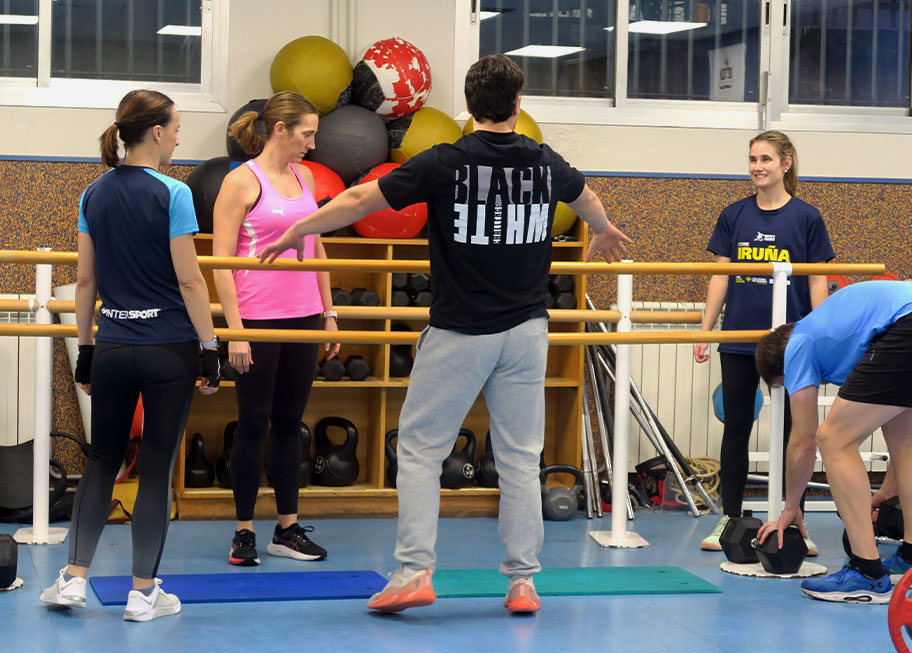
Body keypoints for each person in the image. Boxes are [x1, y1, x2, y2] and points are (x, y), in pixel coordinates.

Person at [258, 54, 631, 614]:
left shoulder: (447, 161)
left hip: (461, 332)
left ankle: (413, 571)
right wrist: (602, 231)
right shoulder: (543, 161)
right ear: (518, 105)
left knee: (418, 450)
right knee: (520, 456)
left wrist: (297, 230)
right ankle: (523, 582)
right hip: (527, 333)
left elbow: (360, 199)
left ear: (468, 106)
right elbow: (586, 198)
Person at [40, 90, 220, 622]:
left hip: (114, 346)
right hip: (169, 349)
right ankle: (144, 593)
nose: (181, 137)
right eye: (178, 127)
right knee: (157, 467)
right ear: (158, 133)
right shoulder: (175, 192)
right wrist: (210, 347)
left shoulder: (93, 192)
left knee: (100, 462)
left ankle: (73, 579)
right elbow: (190, 279)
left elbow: (87, 281)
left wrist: (87, 351)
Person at [754, 280, 912, 603]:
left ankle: (866, 572)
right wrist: (889, 488)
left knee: (832, 438)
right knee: (904, 434)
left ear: (781, 370)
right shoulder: (833, 330)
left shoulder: (798, 344)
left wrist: (790, 506)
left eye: (787, 383)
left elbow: (804, 441)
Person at [212, 91, 339, 566]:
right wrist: (236, 331)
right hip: (258, 320)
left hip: (303, 317)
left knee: (290, 426)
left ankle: (287, 528)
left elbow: (317, 250)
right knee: (252, 425)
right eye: (307, 133)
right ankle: (243, 531)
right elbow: (222, 265)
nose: (312, 143)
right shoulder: (241, 182)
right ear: (280, 130)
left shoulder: (305, 177)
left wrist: (329, 313)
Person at [694, 131, 834, 554]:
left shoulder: (807, 217)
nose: (757, 166)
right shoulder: (734, 214)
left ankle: (794, 519)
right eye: (752, 159)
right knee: (736, 426)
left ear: (786, 164)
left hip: (791, 343)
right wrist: (706, 328)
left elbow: (816, 282)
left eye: (766, 159)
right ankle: (729, 520)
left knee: (797, 432)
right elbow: (721, 274)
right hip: (740, 339)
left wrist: (820, 336)